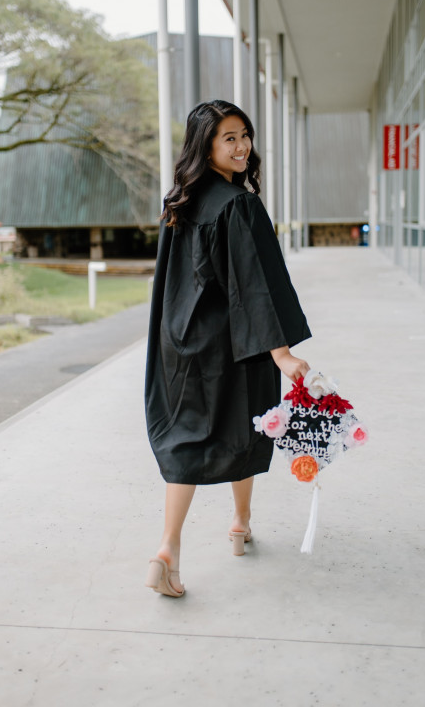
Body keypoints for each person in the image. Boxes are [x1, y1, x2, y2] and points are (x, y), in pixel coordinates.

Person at [144, 100, 311, 597]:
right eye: (229, 139)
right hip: (235, 342)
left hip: (182, 343)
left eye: (245, 136)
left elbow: (168, 282)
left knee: (187, 439)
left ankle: (169, 549)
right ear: (207, 146)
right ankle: (238, 524)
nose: (242, 148)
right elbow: (256, 284)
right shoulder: (238, 205)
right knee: (248, 425)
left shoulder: (181, 202)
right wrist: (280, 351)